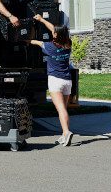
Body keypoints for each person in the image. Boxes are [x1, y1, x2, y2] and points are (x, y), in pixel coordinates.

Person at [29, 14, 73, 146]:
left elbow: (34, 42)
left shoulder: (49, 47)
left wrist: (25, 39)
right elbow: (54, 29)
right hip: (67, 81)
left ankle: (66, 132)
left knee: (60, 109)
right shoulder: (68, 44)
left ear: (55, 35)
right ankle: (63, 134)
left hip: (55, 81)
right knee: (63, 109)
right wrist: (42, 20)